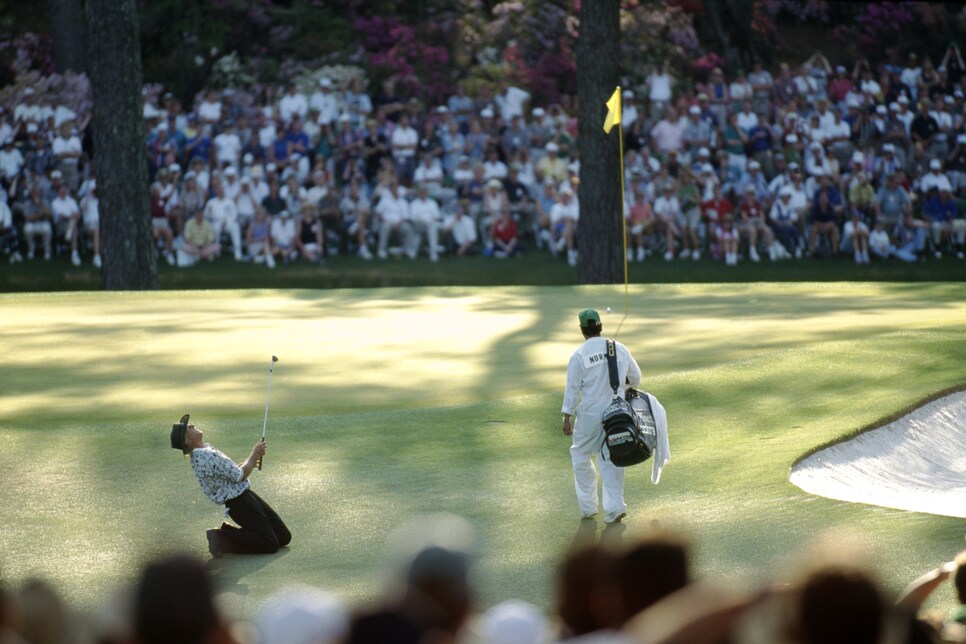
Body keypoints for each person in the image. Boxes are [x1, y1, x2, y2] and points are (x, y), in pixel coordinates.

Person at [169, 413, 291, 557]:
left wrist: (251, 461)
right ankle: (221, 538)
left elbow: (230, 473)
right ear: (187, 441)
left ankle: (227, 533)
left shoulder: (205, 451)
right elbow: (239, 475)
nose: (192, 425)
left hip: (245, 495)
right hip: (239, 503)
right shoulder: (207, 456)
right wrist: (254, 454)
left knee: (283, 536)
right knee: (270, 544)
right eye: (188, 428)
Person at [562, 309, 642, 524]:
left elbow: (572, 389)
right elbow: (636, 378)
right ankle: (615, 507)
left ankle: (588, 508)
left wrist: (567, 417)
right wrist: (620, 390)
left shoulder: (579, 355)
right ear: (600, 327)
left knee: (581, 455)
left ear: (582, 330)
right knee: (611, 456)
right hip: (618, 414)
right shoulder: (619, 348)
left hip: (589, 415)